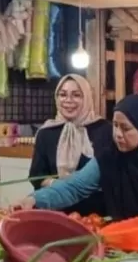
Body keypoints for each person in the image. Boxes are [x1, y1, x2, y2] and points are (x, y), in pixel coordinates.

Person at [14, 94, 138, 241]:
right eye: (115, 126)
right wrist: (36, 199)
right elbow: (74, 186)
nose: (118, 134)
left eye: (126, 128)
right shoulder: (111, 157)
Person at [29, 74, 112, 215]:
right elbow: (37, 176)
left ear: (86, 98)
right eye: (63, 95)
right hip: (56, 212)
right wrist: (56, 186)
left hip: (96, 215)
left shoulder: (105, 130)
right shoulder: (46, 133)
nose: (68, 100)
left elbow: (110, 175)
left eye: (76, 95)